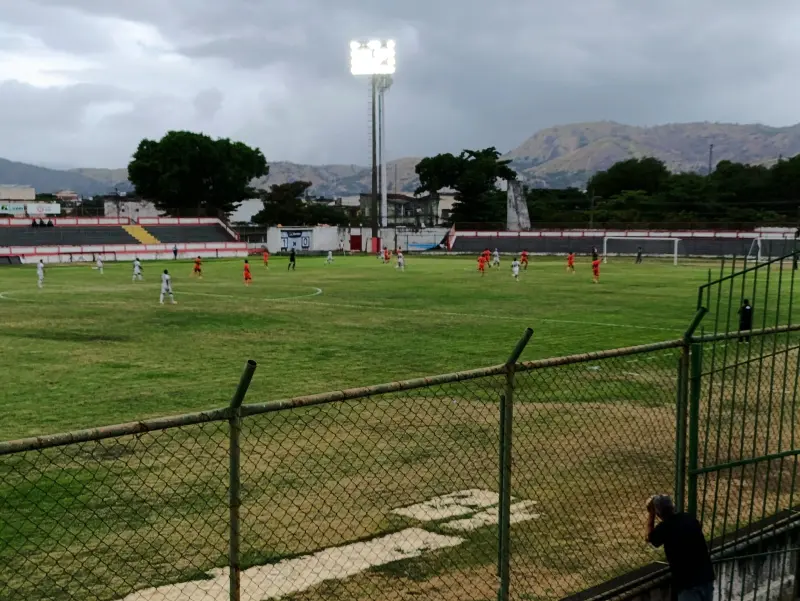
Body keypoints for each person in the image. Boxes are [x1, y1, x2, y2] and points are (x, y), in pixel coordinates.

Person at [646, 495, 714, 601]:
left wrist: (651, 514)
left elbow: (649, 537)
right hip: (706, 577)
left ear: (658, 513)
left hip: (687, 583)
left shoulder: (665, 528)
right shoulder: (689, 518)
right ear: (673, 507)